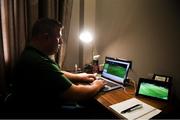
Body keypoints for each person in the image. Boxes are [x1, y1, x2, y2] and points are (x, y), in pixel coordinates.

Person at [8, 18, 109, 118]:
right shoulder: (39, 63)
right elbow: (77, 94)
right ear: (46, 37)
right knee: (98, 110)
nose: (61, 42)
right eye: (59, 37)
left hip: (36, 106)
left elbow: (56, 72)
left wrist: (79, 77)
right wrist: (97, 85)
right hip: (44, 111)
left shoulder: (32, 54)